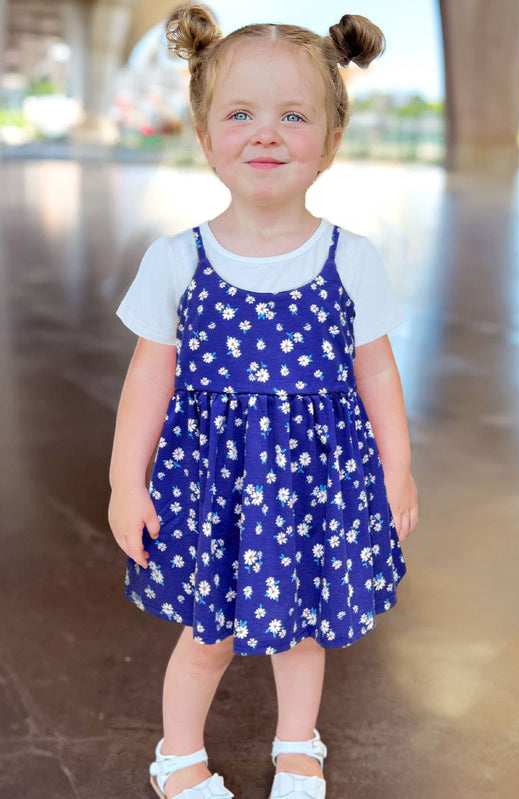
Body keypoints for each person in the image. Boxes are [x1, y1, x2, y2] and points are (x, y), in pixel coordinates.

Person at [108, 5, 419, 799]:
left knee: (305, 627)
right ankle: (177, 753)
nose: (265, 133)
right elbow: (149, 377)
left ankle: (296, 742)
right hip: (211, 490)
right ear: (206, 136)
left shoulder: (352, 258)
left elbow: (376, 373)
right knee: (206, 633)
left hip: (316, 488)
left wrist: (397, 471)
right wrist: (124, 480)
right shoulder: (178, 259)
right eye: (240, 113)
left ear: (331, 137)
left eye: (292, 115)